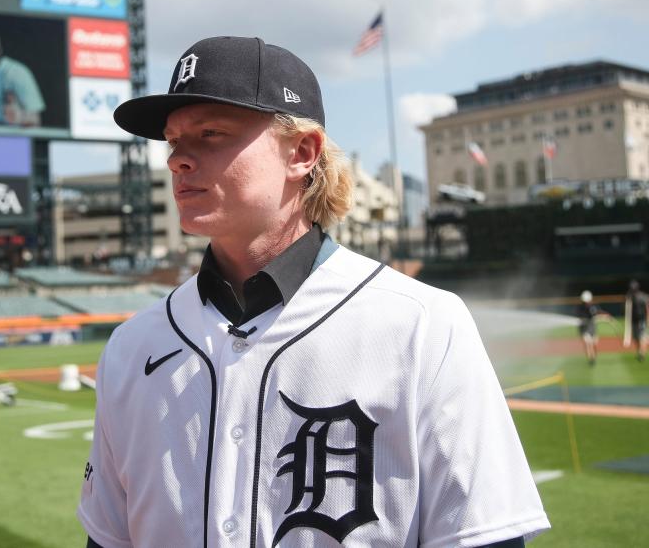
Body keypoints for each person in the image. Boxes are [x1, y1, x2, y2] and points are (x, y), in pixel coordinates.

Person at [78, 36, 549, 548]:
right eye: (173, 142)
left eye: (211, 134)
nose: (178, 160)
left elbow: (485, 538)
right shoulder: (131, 347)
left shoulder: (423, 324)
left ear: (302, 152)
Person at [577, 290, 610, 366]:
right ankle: (591, 359)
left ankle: (594, 357)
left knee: (594, 344)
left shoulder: (594, 306)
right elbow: (579, 317)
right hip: (584, 329)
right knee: (588, 344)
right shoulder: (580, 308)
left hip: (592, 328)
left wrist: (605, 315)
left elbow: (599, 312)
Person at [625, 280, 648, 361]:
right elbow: (627, 309)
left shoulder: (643, 296)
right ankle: (639, 351)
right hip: (634, 321)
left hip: (642, 320)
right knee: (636, 338)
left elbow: (647, 308)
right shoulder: (629, 297)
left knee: (642, 336)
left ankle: (642, 353)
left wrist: (647, 319)